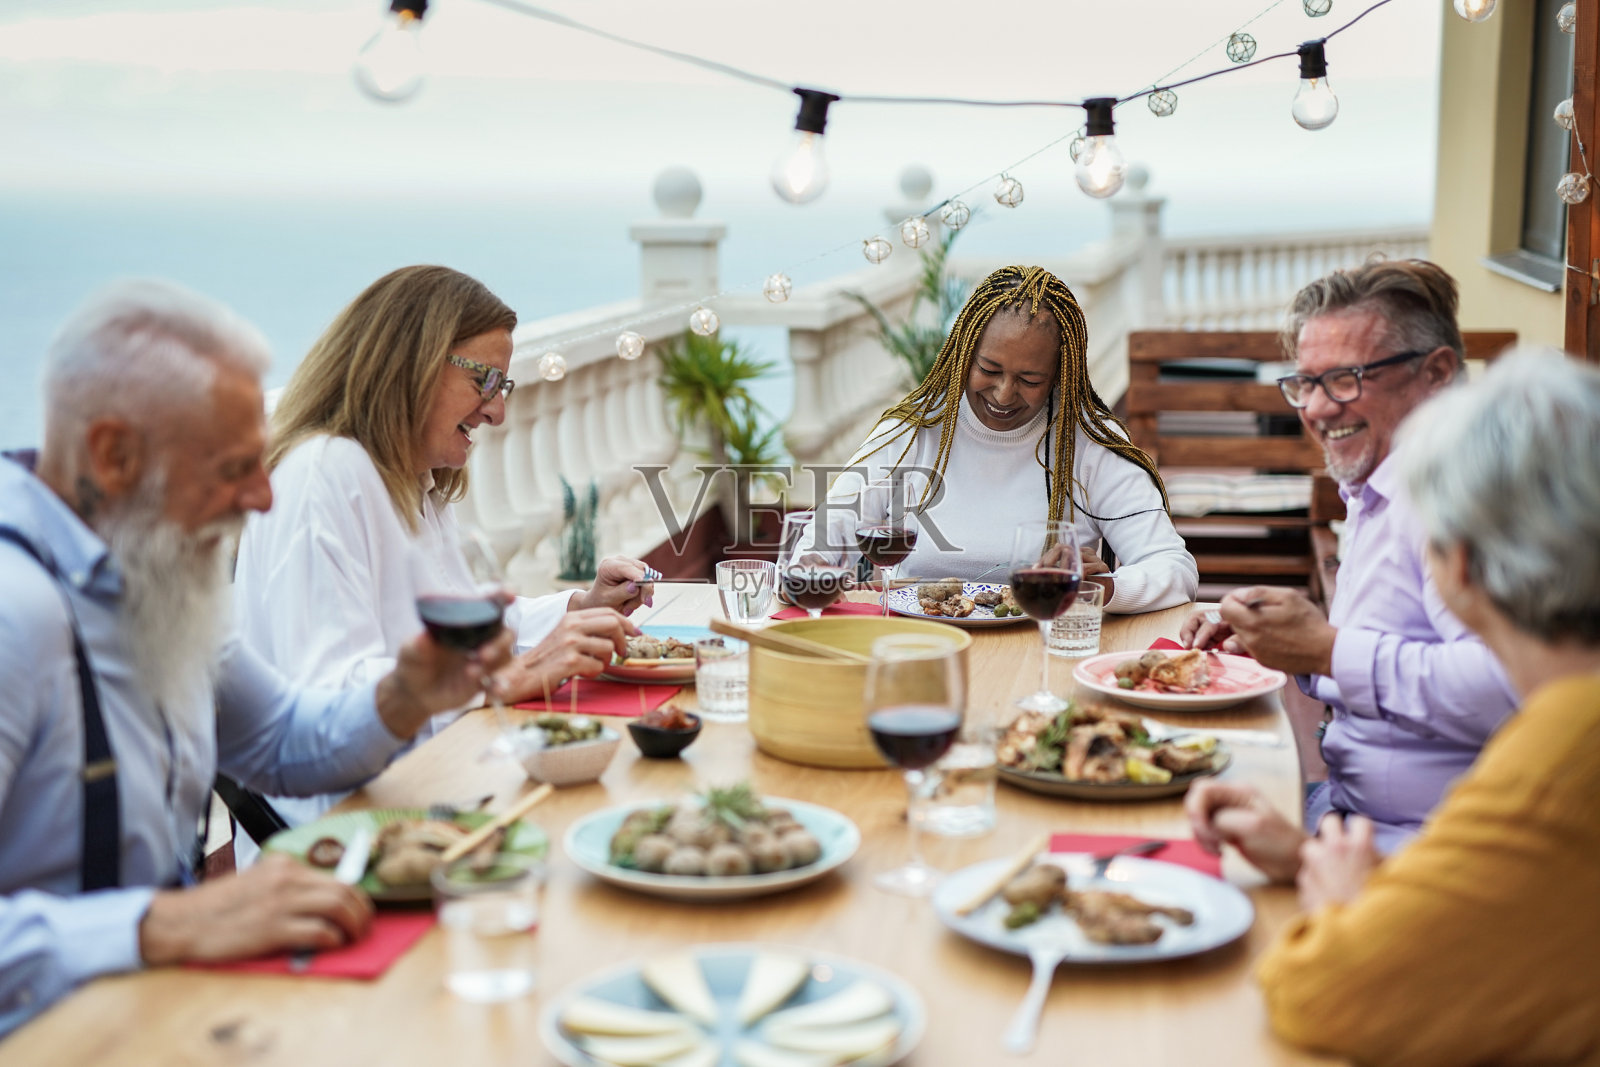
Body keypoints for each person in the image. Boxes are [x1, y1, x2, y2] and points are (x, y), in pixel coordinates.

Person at [0, 280, 514, 1038]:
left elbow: (279, 741)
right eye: (235, 465)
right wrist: (160, 925)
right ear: (113, 454)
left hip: (168, 1014)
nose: (265, 498)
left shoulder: (153, 574)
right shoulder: (20, 612)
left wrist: (405, 695)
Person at [1253, 348, 1600, 1066]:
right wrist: (1311, 861)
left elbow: (1321, 993)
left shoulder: (1560, 756)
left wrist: (1342, 904)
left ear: (1460, 565)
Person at [231, 266, 650, 857]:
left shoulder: (411, 482)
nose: (496, 412)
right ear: (407, 362)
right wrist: (501, 682)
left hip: (434, 794)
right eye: (485, 380)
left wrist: (580, 606)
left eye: (503, 387)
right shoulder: (324, 474)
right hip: (351, 844)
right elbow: (326, 702)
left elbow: (456, 635)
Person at [1183, 259, 1517, 869]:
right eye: (1304, 383)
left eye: (1343, 379)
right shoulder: (1379, 479)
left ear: (1437, 372)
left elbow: (1505, 687)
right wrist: (1286, 642)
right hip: (1343, 812)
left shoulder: (1463, 498)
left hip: (1420, 854)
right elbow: (1397, 647)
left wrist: (1325, 650)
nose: (1314, 408)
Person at [810, 265, 1196, 613]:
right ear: (964, 354)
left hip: (1041, 652)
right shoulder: (912, 430)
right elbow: (824, 536)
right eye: (989, 369)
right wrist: (811, 564)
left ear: (1060, 375)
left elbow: (1175, 569)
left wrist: (1107, 588)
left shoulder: (1090, 443)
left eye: (1030, 380)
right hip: (920, 645)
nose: (1004, 394)